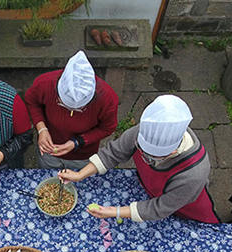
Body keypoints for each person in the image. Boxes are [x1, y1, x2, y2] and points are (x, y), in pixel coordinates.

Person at [59, 95, 218, 223]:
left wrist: (117, 212)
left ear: (173, 151)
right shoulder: (147, 130)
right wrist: (80, 175)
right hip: (150, 190)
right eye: (141, 150)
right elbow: (114, 152)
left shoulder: (193, 174)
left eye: (151, 156)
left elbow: (159, 208)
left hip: (186, 209)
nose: (143, 156)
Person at [24, 50, 118, 170]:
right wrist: (42, 129)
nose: (71, 112)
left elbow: (107, 128)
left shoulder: (108, 99)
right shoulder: (44, 83)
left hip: (82, 156)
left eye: (80, 109)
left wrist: (78, 142)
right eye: (63, 104)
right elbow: (32, 101)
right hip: (49, 149)